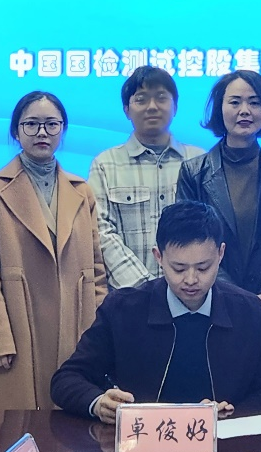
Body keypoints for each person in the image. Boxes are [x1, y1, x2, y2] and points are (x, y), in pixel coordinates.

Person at [51, 200, 261, 421]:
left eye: (203, 268)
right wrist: (97, 402)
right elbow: (66, 379)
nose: (191, 280)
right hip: (143, 440)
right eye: (179, 268)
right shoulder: (123, 309)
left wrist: (231, 414)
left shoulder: (249, 311)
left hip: (224, 441)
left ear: (220, 254)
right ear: (159, 257)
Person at [0, 91, 108, 409]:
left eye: (51, 124)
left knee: (71, 419)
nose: (42, 132)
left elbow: (97, 270)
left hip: (74, 323)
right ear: (16, 131)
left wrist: (99, 335)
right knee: (16, 427)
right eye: (31, 124)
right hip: (20, 326)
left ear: (63, 129)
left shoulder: (81, 191)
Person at [176, 71, 261, 405]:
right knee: (211, 404)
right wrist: (238, 298)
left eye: (254, 103)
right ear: (219, 109)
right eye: (235, 102)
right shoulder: (194, 172)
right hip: (210, 304)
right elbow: (189, 240)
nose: (245, 110)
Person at [88, 66, 206, 289]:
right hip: (130, 296)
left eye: (161, 98)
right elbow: (101, 231)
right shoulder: (105, 164)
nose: (152, 107)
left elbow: (212, 230)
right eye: (141, 99)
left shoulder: (199, 161)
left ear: (175, 106)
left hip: (193, 293)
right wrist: (144, 286)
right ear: (126, 110)